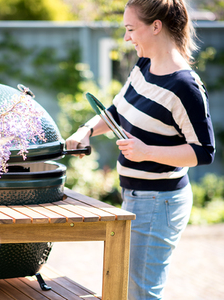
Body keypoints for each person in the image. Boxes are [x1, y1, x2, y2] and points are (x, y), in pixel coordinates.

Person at [66, 0, 215, 299]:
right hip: (136, 196)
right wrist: (86, 131)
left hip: (159, 203)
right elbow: (117, 111)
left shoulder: (185, 86)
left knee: (141, 294)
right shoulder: (144, 66)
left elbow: (203, 151)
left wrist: (147, 151)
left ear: (156, 27)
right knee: (129, 289)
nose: (126, 37)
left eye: (131, 29)